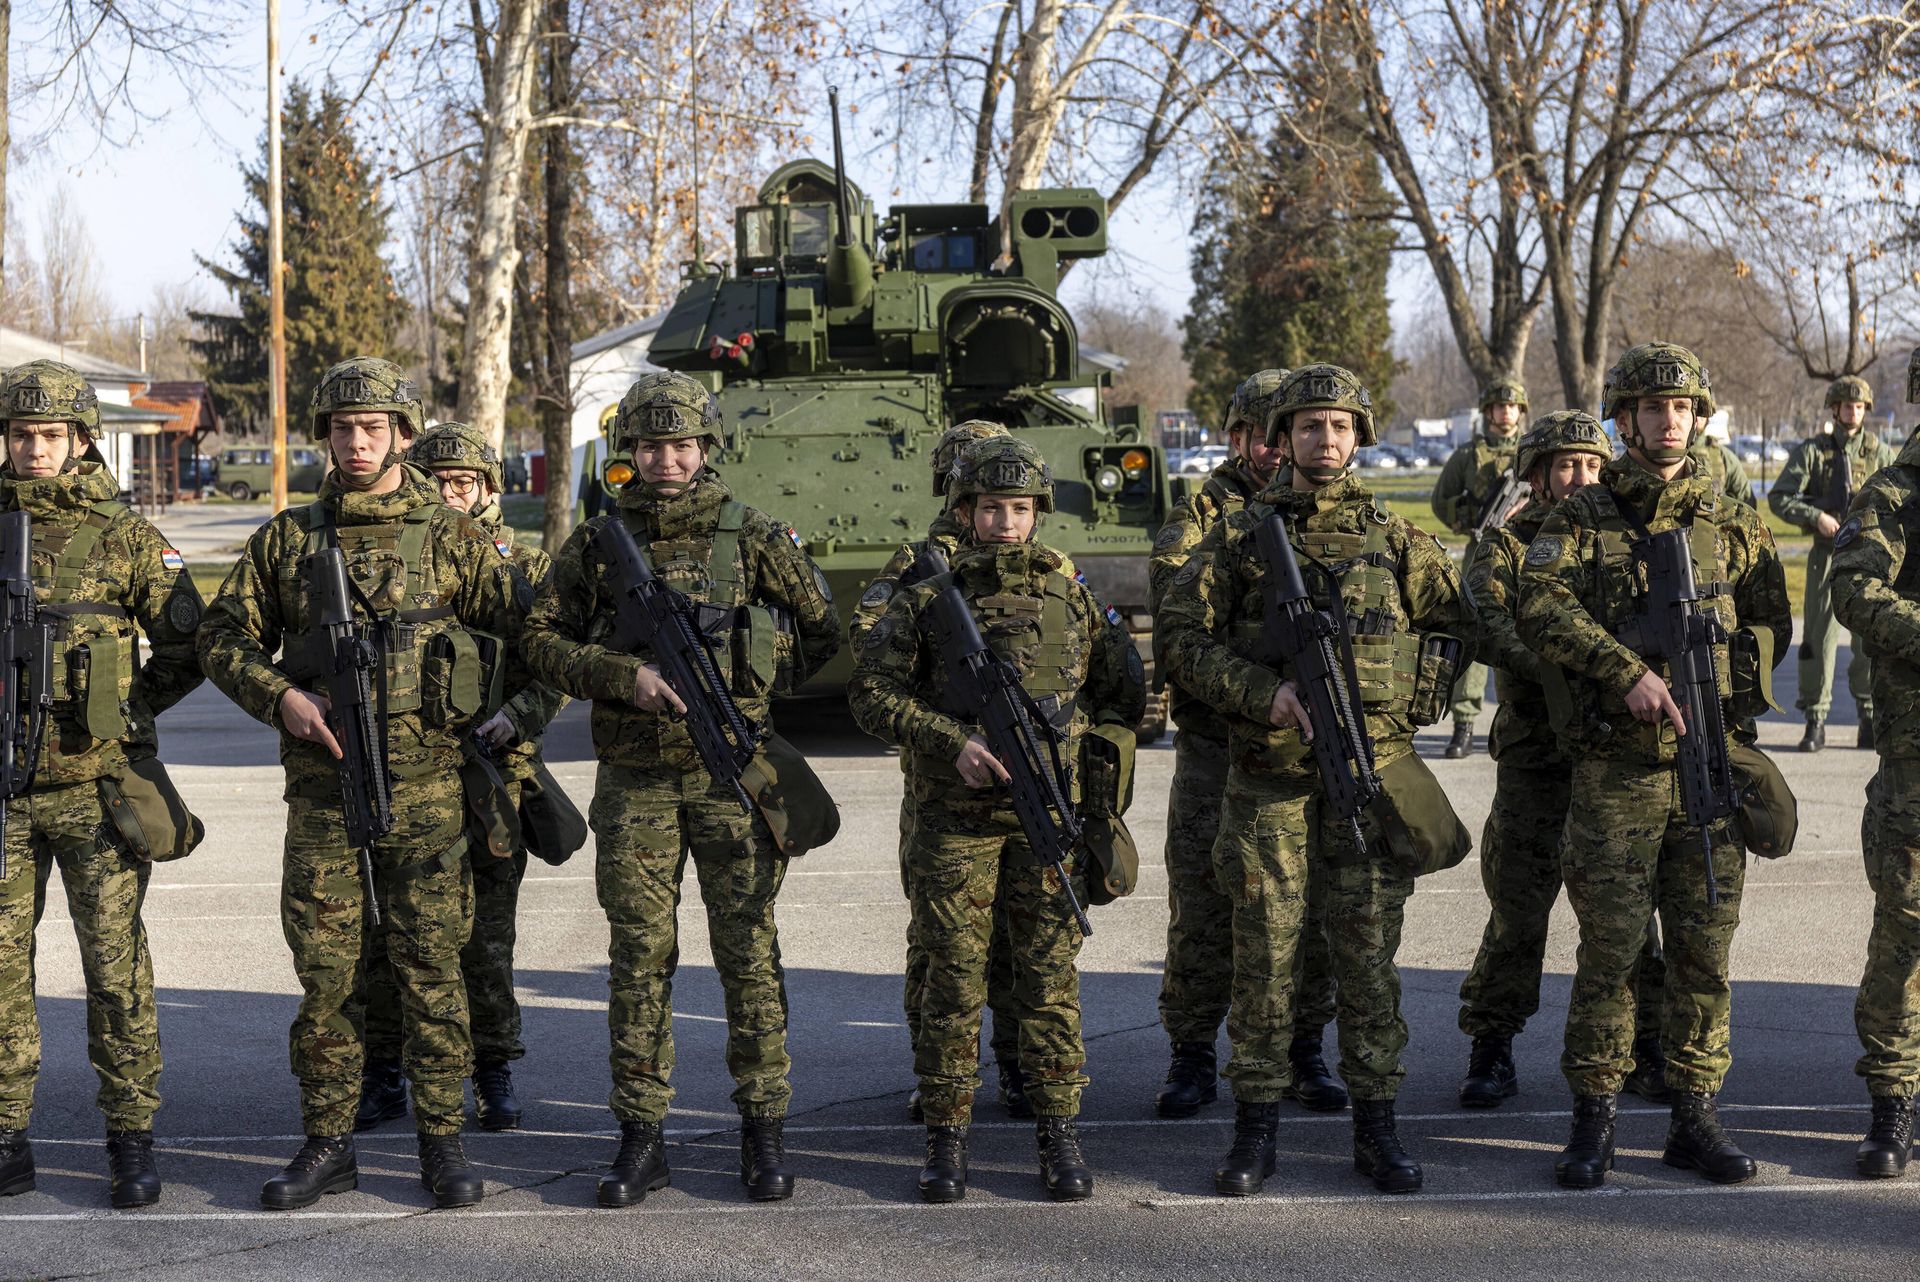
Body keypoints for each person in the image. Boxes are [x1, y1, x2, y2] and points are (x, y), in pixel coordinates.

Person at [200, 358, 528, 1210]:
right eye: (343, 429)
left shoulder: (455, 538)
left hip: (430, 798)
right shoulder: (287, 540)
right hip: (324, 798)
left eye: (373, 428)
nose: (356, 442)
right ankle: (329, 1142)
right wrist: (281, 698)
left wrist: (513, 717)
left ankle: (442, 1145)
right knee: (329, 979)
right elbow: (221, 639)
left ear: (403, 435)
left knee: (432, 972)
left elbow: (535, 638)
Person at [1159, 364, 1476, 1196]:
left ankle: (1378, 1129)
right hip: (1270, 786)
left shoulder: (1398, 540)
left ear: (1358, 437)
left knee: (1367, 961)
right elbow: (1181, 641)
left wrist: (1409, 703)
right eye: (1308, 426)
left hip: (1368, 781)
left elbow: (1456, 626)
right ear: (1283, 438)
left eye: (1338, 426)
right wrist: (1262, 693)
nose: (1324, 440)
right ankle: (1255, 1130)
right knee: (1264, 960)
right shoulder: (1239, 539)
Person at [524, 371, 839, 1207]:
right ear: (629, 449)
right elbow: (539, 641)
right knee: (639, 959)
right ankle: (641, 1137)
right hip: (636, 785)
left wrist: (749, 682)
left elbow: (822, 630)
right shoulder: (598, 544)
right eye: (651, 445)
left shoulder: (754, 535)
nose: (667, 460)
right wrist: (620, 676)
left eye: (682, 444)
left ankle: (763, 1131)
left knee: (749, 955)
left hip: (733, 778)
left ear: (707, 448)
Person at [1518, 341, 1789, 1189]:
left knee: (1704, 952)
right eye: (1652, 408)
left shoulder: (1733, 520)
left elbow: (1773, 620)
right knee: (1612, 952)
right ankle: (1593, 1120)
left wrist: (1726, 683)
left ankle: (1694, 1117)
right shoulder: (1581, 517)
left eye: (1682, 407)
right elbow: (1537, 604)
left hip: (1706, 763)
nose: (1669, 421)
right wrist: (1623, 669)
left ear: (1697, 418)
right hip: (1618, 774)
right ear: (1625, 420)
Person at [849, 435, 1142, 1203]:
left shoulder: (1071, 596)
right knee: (953, 982)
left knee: (1049, 981)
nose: (1005, 522)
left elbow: (1119, 692)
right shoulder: (925, 599)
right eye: (989, 507)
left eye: (1018, 508)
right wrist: (953, 742)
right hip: (956, 824)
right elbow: (871, 695)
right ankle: (947, 1138)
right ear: (965, 510)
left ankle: (1058, 1133)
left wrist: (1084, 765)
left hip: (1047, 821)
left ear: (1038, 514)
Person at [0, 360, 206, 1209]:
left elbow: (191, 643)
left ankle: (130, 1136)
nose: (33, 448)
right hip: (5, 790)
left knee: (115, 968)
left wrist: (125, 708)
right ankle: (7, 1136)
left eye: (49, 434)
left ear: (82, 439)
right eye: (20, 434)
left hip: (97, 793)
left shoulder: (125, 537)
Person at [355, 422, 569, 1135]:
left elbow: (558, 663)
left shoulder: (526, 567)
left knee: (486, 938)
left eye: (464, 482)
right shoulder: (393, 560)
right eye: (437, 481)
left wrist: (519, 715)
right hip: (407, 774)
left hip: (494, 776)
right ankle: (385, 1070)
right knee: (391, 935)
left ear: (487, 489)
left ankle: (493, 1067)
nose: (450, 493)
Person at [1454, 411, 1669, 1109]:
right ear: (1538, 474)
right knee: (1518, 908)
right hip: (1537, 755)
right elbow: (1488, 625)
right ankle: (1492, 1044)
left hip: (1614, 754)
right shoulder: (1505, 544)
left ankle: (1644, 1044)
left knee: (1628, 911)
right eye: (1567, 465)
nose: (1582, 478)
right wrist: (1571, 666)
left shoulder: (1622, 539)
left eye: (1593, 465)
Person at [1148, 370, 1344, 1120]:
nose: (1272, 449)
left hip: (1298, 751)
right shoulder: (1203, 517)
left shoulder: (1324, 512)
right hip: (1217, 748)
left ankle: (1304, 1047)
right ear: (1236, 438)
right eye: (1260, 436)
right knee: (1204, 902)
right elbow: (1181, 627)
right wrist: (1259, 684)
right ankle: (1192, 1051)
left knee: (1310, 905)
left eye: (1279, 434)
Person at [848, 419, 1032, 1122]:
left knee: (1019, 935)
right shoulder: (919, 563)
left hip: (1020, 771)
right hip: (940, 776)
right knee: (938, 936)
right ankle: (938, 1072)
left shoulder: (1032, 558)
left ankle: (1018, 1064)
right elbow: (869, 641)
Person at [1830, 349, 1920, 1178]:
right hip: (1915, 758)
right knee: (1906, 928)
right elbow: (1853, 589)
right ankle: (1892, 1098)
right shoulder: (1895, 494)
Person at [1770, 375, 1895, 752]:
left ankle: (1868, 717)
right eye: (1846, 405)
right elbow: (1780, 496)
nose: (1852, 412)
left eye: (1858, 406)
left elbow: (1901, 500)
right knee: (1817, 639)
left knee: (1867, 638)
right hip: (1825, 555)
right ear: (1834, 409)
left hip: (1868, 559)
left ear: (1865, 410)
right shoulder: (1814, 452)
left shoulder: (1879, 453)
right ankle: (1815, 718)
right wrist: (1815, 517)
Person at [1431, 377, 1530, 758]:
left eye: (1512, 406)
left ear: (1520, 412)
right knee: (1475, 633)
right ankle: (1464, 723)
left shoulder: (1533, 449)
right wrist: (1467, 516)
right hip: (1482, 549)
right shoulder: (1468, 455)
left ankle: (1527, 719)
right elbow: (1441, 499)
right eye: (1499, 406)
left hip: (1528, 550)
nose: (1506, 413)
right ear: (1488, 412)